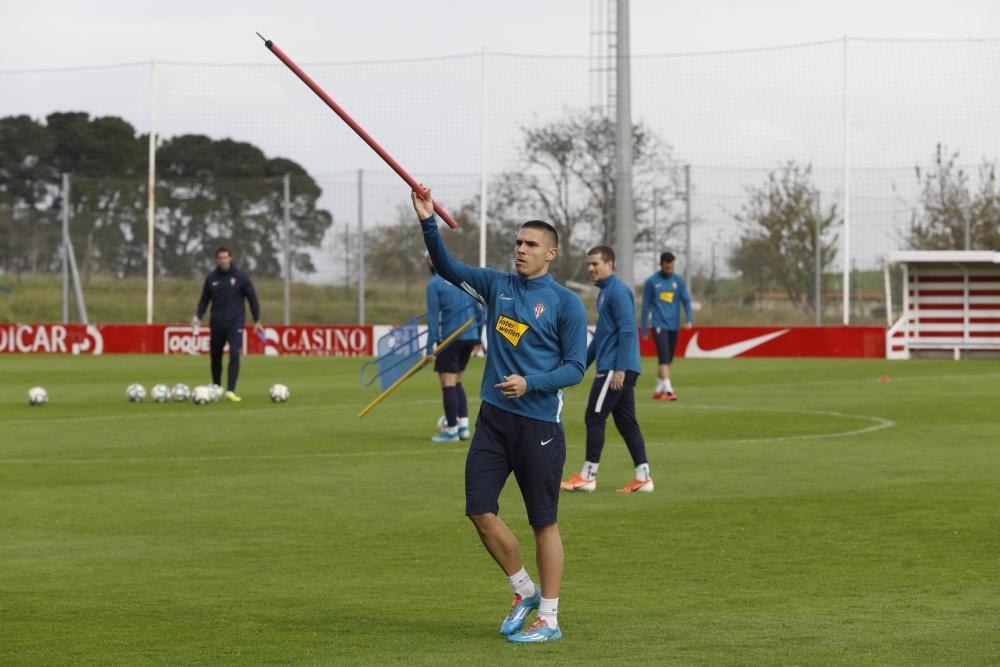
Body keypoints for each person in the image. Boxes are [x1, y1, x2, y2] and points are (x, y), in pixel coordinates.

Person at [412, 187, 587, 643]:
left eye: (531, 245)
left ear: (550, 253)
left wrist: (532, 384)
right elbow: (448, 268)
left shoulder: (566, 303)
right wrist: (429, 220)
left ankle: (549, 618)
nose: (521, 250)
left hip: (539, 425)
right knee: (479, 509)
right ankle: (523, 589)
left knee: (543, 521)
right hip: (494, 419)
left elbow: (575, 368)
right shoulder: (497, 285)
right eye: (518, 243)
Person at [561, 246, 653, 494]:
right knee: (626, 423)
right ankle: (644, 477)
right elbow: (601, 337)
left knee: (594, 416)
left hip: (615, 368)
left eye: (595, 264)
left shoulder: (618, 291)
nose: (591, 269)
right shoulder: (604, 293)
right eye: (589, 264)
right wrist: (578, 367)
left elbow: (627, 330)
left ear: (610, 264)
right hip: (617, 366)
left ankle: (588, 476)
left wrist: (620, 369)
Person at [425, 255, 484, 442]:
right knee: (457, 381)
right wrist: (477, 338)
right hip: (469, 336)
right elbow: (479, 312)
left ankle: (451, 430)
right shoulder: (462, 281)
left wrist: (429, 348)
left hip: (450, 338)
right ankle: (463, 427)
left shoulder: (434, 284)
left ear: (430, 262)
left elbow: (433, 318)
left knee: (448, 383)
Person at [191, 247, 262, 402]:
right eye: (220, 258)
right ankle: (216, 387)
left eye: (225, 257)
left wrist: (257, 319)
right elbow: (204, 299)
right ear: (217, 260)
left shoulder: (241, 277)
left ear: (230, 258)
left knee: (234, 353)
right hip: (216, 323)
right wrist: (198, 316)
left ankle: (230, 390)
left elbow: (252, 298)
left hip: (235, 323)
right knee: (215, 356)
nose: (223, 260)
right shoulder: (211, 278)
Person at [641, 251, 693, 401]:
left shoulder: (678, 281)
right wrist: (644, 329)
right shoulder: (652, 282)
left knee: (668, 360)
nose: (670, 270)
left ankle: (657, 388)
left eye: (672, 267)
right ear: (661, 264)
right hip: (658, 324)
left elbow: (686, 301)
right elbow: (645, 306)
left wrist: (689, 318)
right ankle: (668, 390)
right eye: (667, 267)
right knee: (663, 358)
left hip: (673, 325)